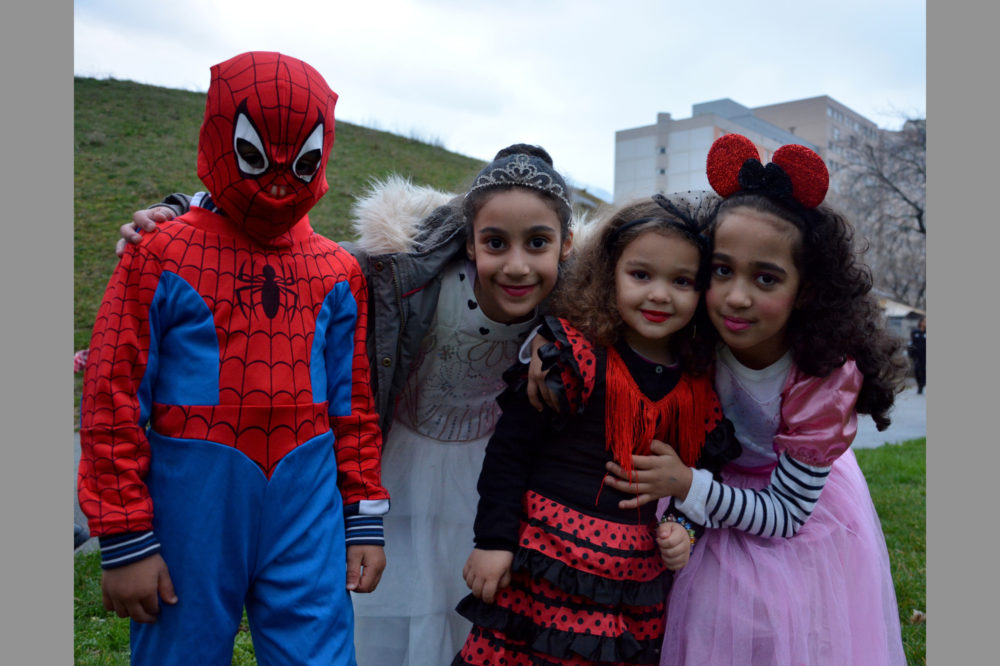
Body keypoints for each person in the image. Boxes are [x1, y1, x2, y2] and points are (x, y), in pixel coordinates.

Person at [117, 144, 579, 665]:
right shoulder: (408, 275)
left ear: (565, 247)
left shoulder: (573, 307)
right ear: (470, 243)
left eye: (537, 243)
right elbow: (304, 254)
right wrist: (184, 210)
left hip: (487, 475)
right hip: (401, 462)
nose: (517, 264)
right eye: (495, 242)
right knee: (388, 608)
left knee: (467, 609)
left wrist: (557, 339)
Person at [78, 51, 389, 665]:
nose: (278, 177)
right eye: (256, 154)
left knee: (320, 654)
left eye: (300, 160)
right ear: (221, 134)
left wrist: (363, 517)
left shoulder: (339, 270)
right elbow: (111, 394)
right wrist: (125, 535)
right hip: (190, 506)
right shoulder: (158, 254)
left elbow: (354, 407)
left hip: (307, 506)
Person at [593, 134, 909, 665]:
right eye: (722, 270)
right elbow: (602, 328)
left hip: (789, 523)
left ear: (806, 289)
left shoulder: (822, 378)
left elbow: (786, 516)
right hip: (699, 498)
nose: (737, 297)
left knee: (779, 633)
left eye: (766, 278)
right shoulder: (696, 331)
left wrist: (688, 486)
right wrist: (545, 351)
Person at [452, 194, 740, 665]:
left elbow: (707, 473)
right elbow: (509, 454)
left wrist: (683, 527)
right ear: (610, 274)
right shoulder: (572, 355)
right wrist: (493, 541)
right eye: (641, 275)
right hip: (544, 564)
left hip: (630, 584)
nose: (659, 294)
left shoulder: (697, 386)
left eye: (682, 281)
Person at [909, 317, 927, 393]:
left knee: (923, 369)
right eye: (924, 321)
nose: (925, 323)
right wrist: (910, 352)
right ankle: (919, 384)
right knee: (916, 369)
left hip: (925, 354)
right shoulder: (915, 332)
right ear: (920, 322)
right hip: (916, 354)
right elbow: (911, 343)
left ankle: (922, 384)